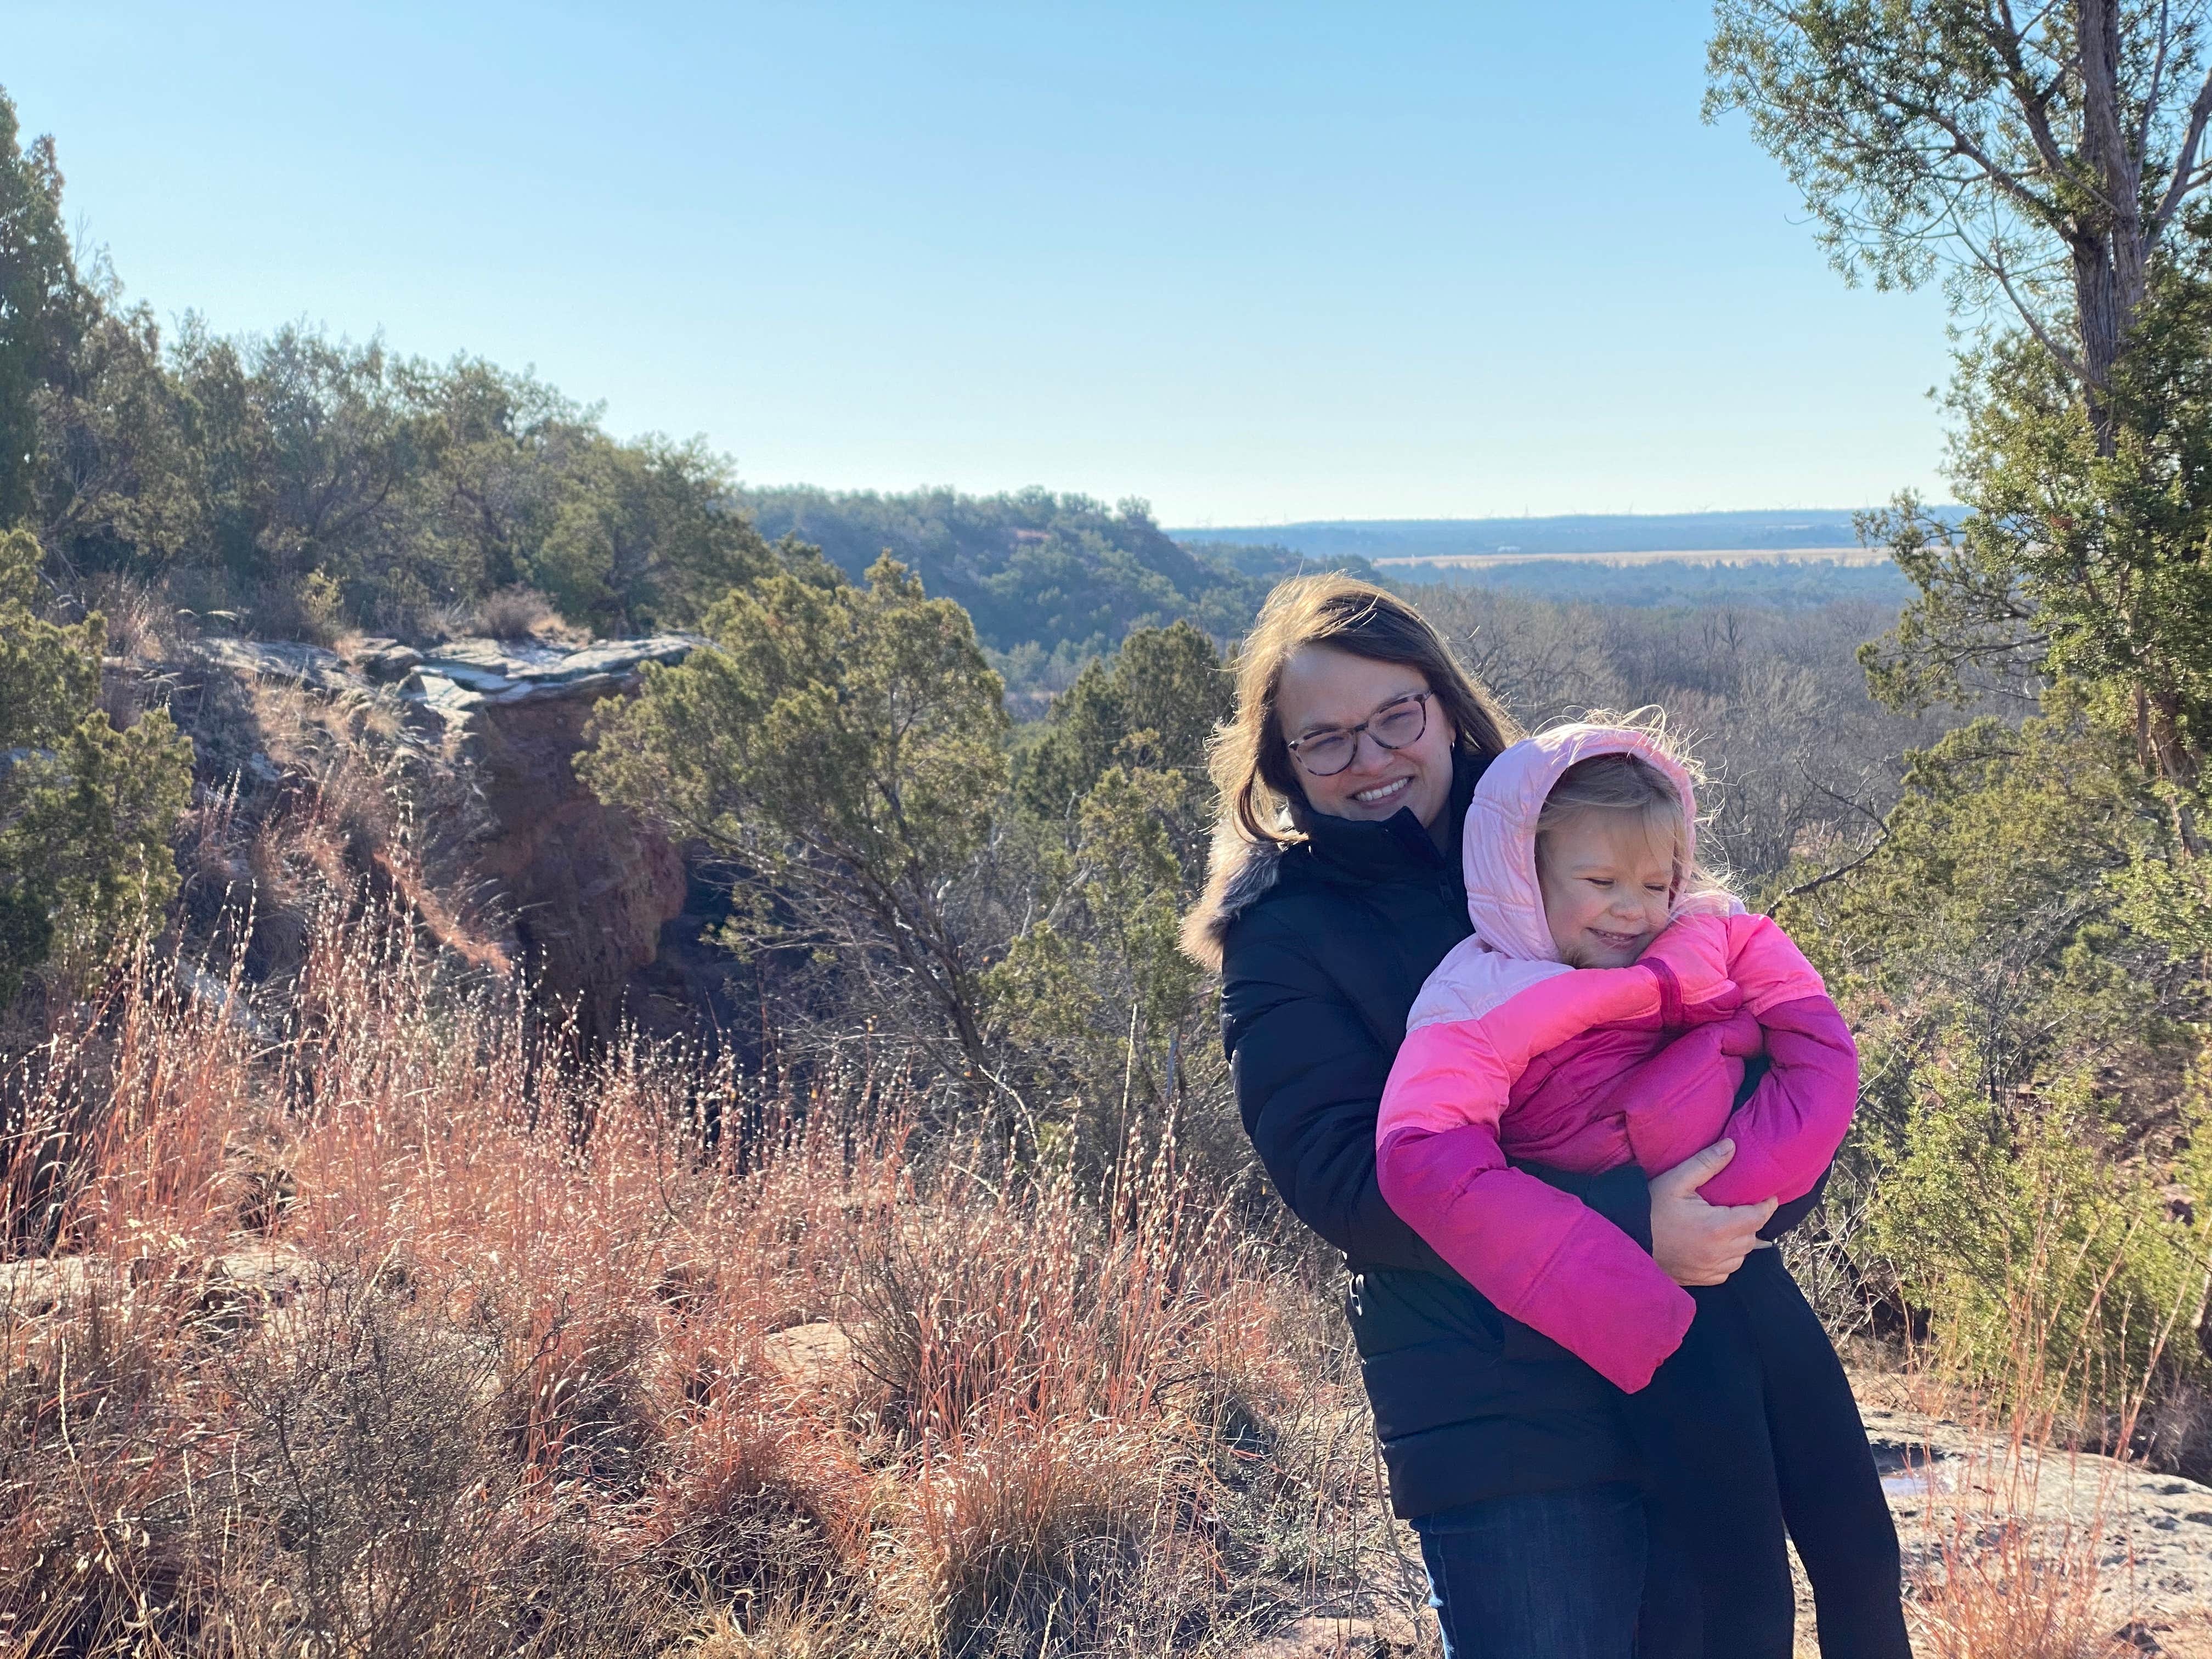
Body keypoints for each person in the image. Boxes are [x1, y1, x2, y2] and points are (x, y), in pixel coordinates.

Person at [1181, 576, 1775, 1658]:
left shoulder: (1568, 839)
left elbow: (1730, 1037)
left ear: (1444, 704)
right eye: (1327, 741)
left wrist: (1751, 1186)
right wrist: (1635, 1222)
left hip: (1690, 1361)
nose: (1369, 759)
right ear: (1285, 768)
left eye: (1393, 718)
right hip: (1497, 1409)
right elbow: (1346, 1186)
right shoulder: (1283, 934)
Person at [1377, 721, 1911, 1657]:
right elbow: (1424, 1161)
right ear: (1522, 875)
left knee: (1861, 1545)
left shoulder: (1713, 936)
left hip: (1747, 1273)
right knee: (1737, 1584)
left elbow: (1821, 1051)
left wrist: (1732, 1190)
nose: (1634, 909)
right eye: (1601, 883)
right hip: (1650, 1320)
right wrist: (1627, 1254)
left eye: (1658, 884)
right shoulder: (1476, 997)